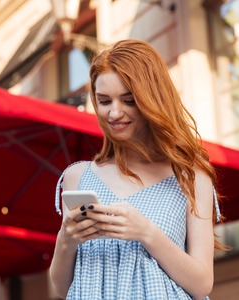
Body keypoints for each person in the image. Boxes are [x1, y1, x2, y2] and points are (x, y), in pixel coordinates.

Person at [49, 39, 225, 300]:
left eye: (129, 100)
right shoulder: (78, 177)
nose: (114, 113)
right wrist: (66, 239)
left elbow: (202, 284)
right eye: (104, 100)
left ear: (152, 99)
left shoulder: (191, 177)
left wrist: (146, 232)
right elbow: (64, 289)